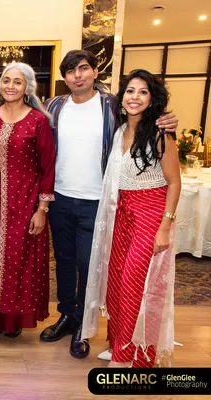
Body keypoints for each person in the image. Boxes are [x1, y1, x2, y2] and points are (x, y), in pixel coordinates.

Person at [40, 50, 178, 359]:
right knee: (63, 261)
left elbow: (146, 118)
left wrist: (169, 121)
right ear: (64, 78)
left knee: (89, 265)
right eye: (71, 71)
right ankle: (67, 315)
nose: (78, 75)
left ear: (95, 71)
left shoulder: (112, 106)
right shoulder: (54, 106)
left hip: (98, 202)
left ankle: (83, 325)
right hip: (60, 198)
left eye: (83, 68)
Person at [82, 69, 180, 368]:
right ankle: (118, 344)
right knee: (115, 281)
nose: (135, 97)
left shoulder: (161, 133)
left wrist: (165, 226)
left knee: (134, 283)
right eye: (130, 91)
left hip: (150, 214)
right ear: (122, 96)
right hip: (121, 213)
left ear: (152, 99)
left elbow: (174, 182)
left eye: (143, 92)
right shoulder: (120, 131)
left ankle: (134, 356)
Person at [0, 62, 55, 338]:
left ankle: (12, 320)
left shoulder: (38, 121)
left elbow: (48, 167)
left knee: (18, 261)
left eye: (17, 82)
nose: (10, 86)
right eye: (6, 80)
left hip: (25, 201)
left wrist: (42, 209)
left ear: (27, 88)